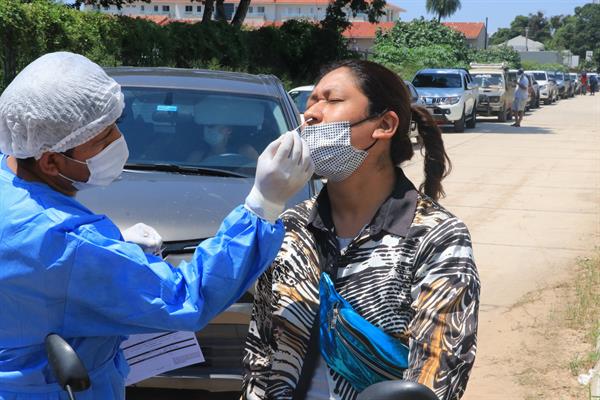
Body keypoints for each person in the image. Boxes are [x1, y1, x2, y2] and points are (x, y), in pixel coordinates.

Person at [0, 52, 314, 399]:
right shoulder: (68, 243)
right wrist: (263, 205)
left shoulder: (8, 181)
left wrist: (114, 247)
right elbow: (185, 298)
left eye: (116, 124)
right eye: (102, 138)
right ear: (50, 160)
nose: (119, 139)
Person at [242, 60, 480, 400]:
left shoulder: (436, 236)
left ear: (384, 125)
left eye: (331, 100)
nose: (311, 114)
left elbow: (439, 369)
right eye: (310, 102)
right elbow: (260, 354)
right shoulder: (290, 228)